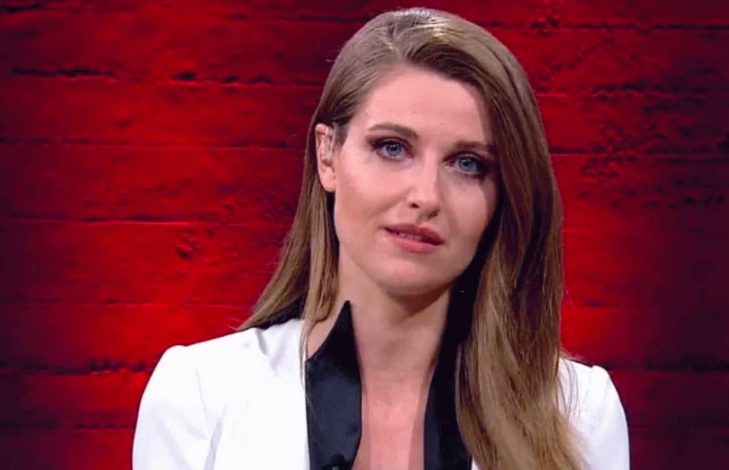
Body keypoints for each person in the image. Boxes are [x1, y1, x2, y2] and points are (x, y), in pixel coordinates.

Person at [132, 7, 629, 470]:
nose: (426, 196)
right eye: (392, 148)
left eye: (467, 164)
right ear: (328, 155)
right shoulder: (201, 395)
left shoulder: (578, 412)